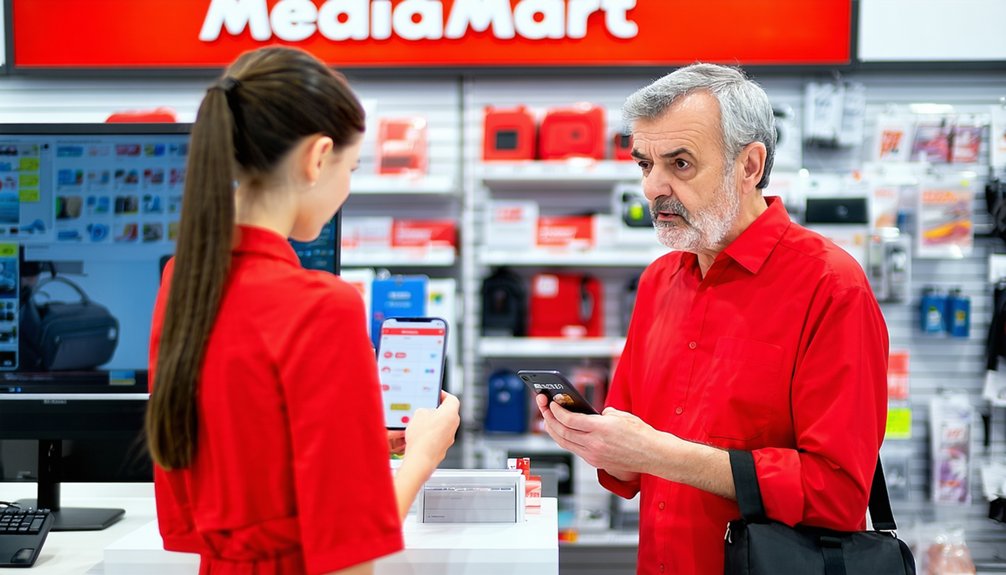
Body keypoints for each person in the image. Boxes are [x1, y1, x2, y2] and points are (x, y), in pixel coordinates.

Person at [535, 63, 888, 574]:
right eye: (644, 164)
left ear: (749, 166)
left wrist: (663, 455)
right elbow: (634, 459)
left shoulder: (830, 285)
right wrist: (593, 440)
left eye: (679, 164)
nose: (653, 187)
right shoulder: (659, 281)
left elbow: (837, 491)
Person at [145, 46, 460, 575]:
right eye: (352, 166)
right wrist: (423, 456)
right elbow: (348, 560)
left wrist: (354, 437)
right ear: (317, 158)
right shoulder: (322, 306)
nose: (347, 186)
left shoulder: (184, 280)